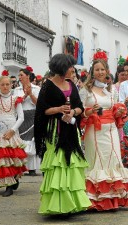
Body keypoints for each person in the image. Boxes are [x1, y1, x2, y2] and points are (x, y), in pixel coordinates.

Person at [34, 53, 91, 215]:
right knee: (58, 163)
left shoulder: (71, 85)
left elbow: (80, 107)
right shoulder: (48, 86)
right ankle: (58, 206)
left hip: (71, 130)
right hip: (55, 130)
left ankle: (73, 203)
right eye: (69, 67)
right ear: (61, 68)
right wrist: (59, 109)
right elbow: (42, 110)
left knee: (72, 164)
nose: (72, 69)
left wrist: (73, 111)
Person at [79, 54, 128, 211]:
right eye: (96, 69)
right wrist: (89, 112)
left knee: (113, 158)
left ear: (106, 71)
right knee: (97, 160)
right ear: (92, 71)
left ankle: (113, 198)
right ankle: (96, 199)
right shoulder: (85, 90)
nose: (99, 72)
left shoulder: (112, 91)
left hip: (111, 129)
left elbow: (117, 107)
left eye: (102, 69)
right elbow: (80, 111)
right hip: (94, 130)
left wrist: (119, 111)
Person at [0, 76, 27, 197]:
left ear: (11, 85)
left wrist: (13, 130)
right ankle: (8, 186)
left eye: (7, 84)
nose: (5, 87)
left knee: (13, 157)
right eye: (2, 84)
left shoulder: (16, 99)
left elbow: (21, 117)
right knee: (4, 159)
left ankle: (14, 177)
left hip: (11, 131)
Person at [13, 66, 40, 176]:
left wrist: (31, 94)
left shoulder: (37, 89)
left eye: (21, 75)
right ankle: (23, 165)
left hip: (33, 115)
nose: (19, 77)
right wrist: (25, 95)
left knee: (32, 140)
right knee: (22, 140)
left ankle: (32, 168)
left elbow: (39, 103)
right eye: (19, 75)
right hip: (21, 116)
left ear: (28, 76)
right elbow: (15, 103)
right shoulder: (16, 90)